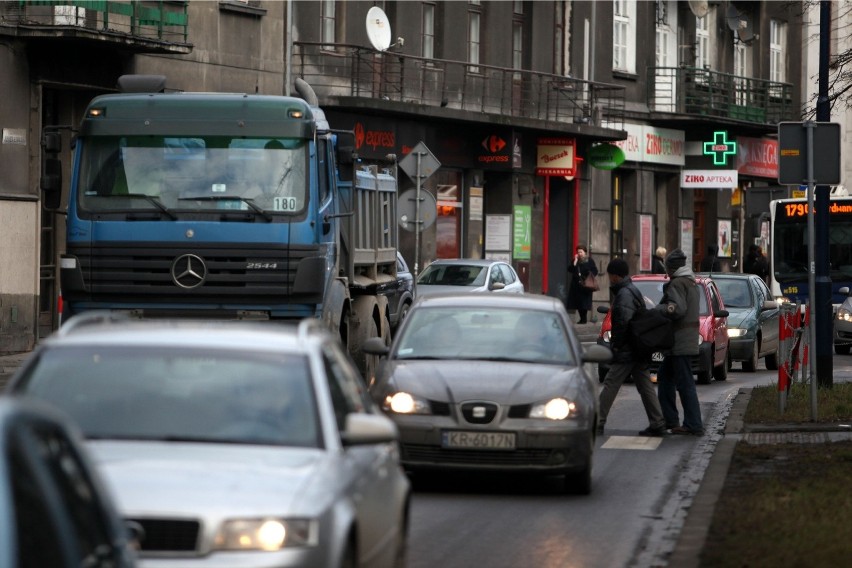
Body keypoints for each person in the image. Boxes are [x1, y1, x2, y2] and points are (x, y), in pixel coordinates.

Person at [597, 258, 667, 437]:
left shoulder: (624, 295)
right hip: (637, 348)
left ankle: (596, 421)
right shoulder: (632, 290)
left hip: (628, 349)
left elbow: (622, 323)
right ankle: (658, 422)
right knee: (645, 385)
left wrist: (617, 347)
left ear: (614, 276)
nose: (609, 278)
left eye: (610, 274)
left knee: (611, 383)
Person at [655, 249, 704, 436]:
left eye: (667, 267)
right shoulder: (691, 283)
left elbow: (677, 309)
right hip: (687, 339)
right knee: (666, 377)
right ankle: (671, 420)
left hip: (679, 341)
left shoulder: (676, 284)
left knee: (684, 383)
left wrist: (659, 309)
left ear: (672, 268)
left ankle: (693, 424)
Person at [566, 245, 598, 324]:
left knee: (584, 303)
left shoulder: (589, 260)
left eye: (581, 252)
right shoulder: (575, 260)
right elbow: (570, 269)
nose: (579, 253)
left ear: (585, 252)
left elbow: (595, 270)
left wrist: (590, 275)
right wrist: (575, 261)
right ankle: (582, 319)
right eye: (578, 252)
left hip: (586, 284)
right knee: (578, 302)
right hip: (577, 285)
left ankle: (584, 319)